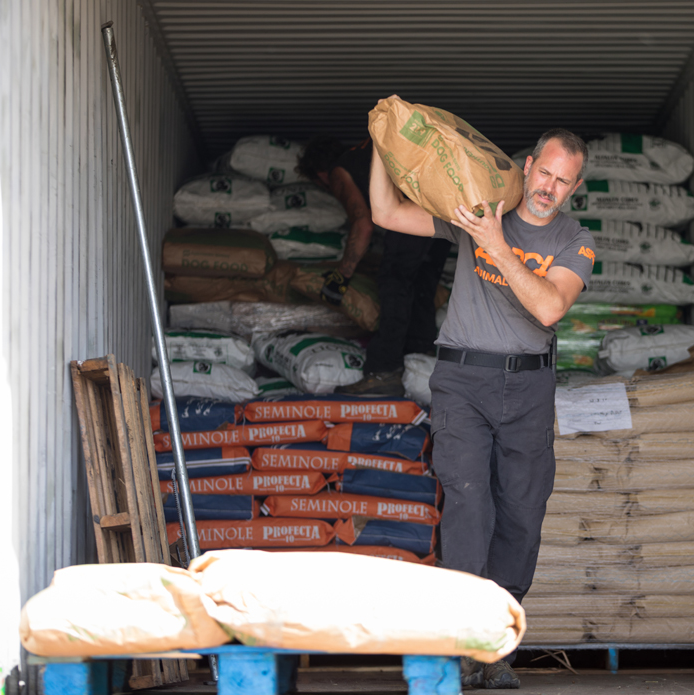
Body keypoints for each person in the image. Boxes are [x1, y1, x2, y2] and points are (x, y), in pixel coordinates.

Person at [368, 108, 596, 689]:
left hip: (529, 387)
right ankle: (465, 643)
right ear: (529, 168)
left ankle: (496, 645)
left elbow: (548, 307)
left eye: (563, 180)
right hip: (463, 381)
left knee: (522, 513)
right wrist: (382, 144)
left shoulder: (575, 241)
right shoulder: (475, 213)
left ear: (575, 188)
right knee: (469, 503)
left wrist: (495, 245)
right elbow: (385, 212)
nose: (549, 188)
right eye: (544, 173)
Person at [297, 136, 451, 396]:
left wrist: (342, 276)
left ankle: (383, 371)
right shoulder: (363, 155)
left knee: (394, 281)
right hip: (443, 205)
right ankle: (419, 356)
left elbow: (362, 224)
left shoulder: (339, 171)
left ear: (320, 173)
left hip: (411, 208)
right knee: (423, 280)